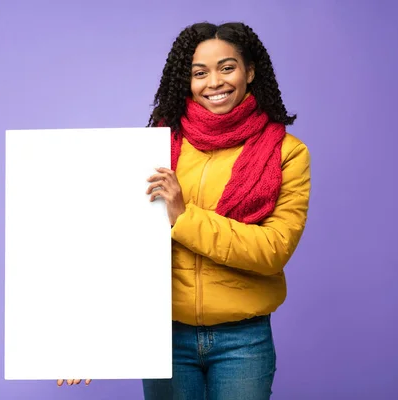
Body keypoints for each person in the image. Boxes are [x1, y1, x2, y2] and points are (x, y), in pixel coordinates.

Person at [57, 21, 311, 399]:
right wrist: (92, 337)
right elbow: (117, 244)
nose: (215, 82)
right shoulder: (156, 146)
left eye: (227, 68)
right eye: (200, 72)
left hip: (243, 340)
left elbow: (272, 250)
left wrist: (184, 216)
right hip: (164, 337)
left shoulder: (287, 153)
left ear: (250, 71)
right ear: (187, 79)